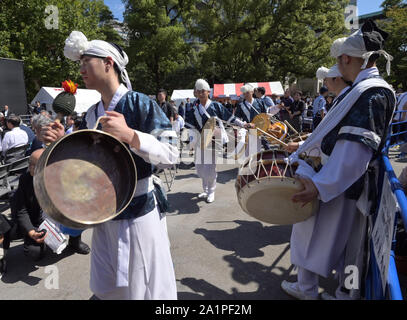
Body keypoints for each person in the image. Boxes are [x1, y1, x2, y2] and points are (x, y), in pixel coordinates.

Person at [42, 30, 178, 300]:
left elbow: (172, 153)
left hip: (138, 213)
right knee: (109, 286)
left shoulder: (139, 103)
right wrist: (60, 142)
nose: (81, 68)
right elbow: (85, 163)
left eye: (86, 61)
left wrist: (131, 136)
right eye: (79, 63)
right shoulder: (92, 112)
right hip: (102, 214)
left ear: (108, 63)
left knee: (143, 286)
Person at [281, 19, 396, 300]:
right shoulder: (367, 89)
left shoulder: (371, 93)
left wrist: (320, 185)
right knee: (349, 247)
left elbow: (355, 150)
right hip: (344, 180)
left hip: (348, 183)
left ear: (345, 58)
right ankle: (343, 293)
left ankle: (343, 294)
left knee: (353, 246)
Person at [185, 79, 251, 203]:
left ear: (208, 92)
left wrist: (242, 124)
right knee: (199, 168)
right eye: (198, 91)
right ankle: (205, 189)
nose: (200, 94)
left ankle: (211, 191)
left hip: (214, 140)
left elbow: (230, 117)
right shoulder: (194, 107)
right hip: (200, 140)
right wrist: (192, 141)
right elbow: (191, 126)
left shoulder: (216, 106)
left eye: (202, 91)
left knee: (210, 168)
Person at [234, 84, 268, 156]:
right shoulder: (240, 105)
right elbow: (236, 118)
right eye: (244, 93)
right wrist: (244, 124)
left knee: (257, 151)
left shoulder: (260, 102)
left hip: (259, 130)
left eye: (247, 92)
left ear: (252, 92)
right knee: (248, 152)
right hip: (247, 130)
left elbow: (266, 115)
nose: (245, 95)